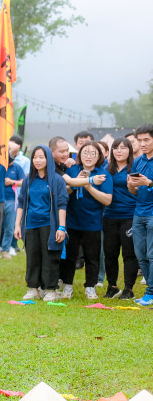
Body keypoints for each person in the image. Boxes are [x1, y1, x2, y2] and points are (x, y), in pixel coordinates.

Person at [60, 141, 112, 300]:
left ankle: (91, 287)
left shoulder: (103, 174)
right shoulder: (72, 170)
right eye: (85, 153)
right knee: (70, 256)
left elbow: (107, 200)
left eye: (93, 153)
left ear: (99, 157)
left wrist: (89, 186)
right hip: (72, 221)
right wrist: (77, 181)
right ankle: (67, 286)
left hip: (92, 223)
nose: (89, 156)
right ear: (79, 155)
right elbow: (64, 192)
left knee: (92, 256)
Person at [14, 146, 68, 301]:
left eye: (41, 157)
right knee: (32, 257)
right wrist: (17, 225)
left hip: (49, 225)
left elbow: (62, 204)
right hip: (30, 224)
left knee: (50, 256)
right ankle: (33, 288)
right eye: (35, 157)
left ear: (48, 159)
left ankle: (50, 289)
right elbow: (21, 202)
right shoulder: (28, 180)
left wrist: (61, 227)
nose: (37, 160)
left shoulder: (56, 180)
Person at [103, 138, 138, 299]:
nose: (119, 151)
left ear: (129, 151)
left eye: (123, 148)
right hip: (109, 216)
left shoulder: (135, 167)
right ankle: (112, 286)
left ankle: (128, 289)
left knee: (129, 254)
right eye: (115, 148)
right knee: (110, 253)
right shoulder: (107, 168)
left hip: (129, 216)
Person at [128, 124, 153, 306]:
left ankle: (150, 292)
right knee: (140, 254)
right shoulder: (138, 161)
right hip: (139, 212)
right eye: (140, 140)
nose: (142, 144)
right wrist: (132, 184)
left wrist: (149, 182)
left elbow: (148, 185)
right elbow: (134, 192)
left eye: (147, 140)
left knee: (152, 254)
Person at [0, 155, 25, 258]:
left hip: (11, 200)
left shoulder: (17, 168)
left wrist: (12, 182)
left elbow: (24, 182)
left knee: (9, 226)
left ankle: (6, 249)